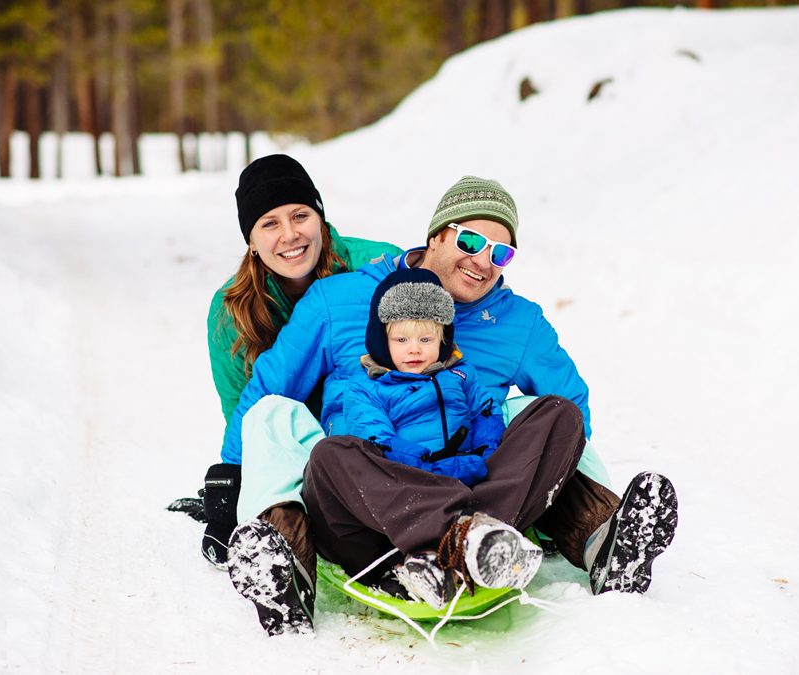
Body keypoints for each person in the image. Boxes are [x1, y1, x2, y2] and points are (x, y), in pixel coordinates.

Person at [220, 176, 679, 636]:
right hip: (372, 495)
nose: (483, 261)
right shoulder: (337, 299)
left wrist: (532, 478)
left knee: (552, 412)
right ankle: (286, 564)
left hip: (473, 481)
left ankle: (601, 537)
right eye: (471, 241)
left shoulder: (518, 323)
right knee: (289, 424)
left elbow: (571, 414)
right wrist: (229, 480)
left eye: (501, 253)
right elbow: (268, 389)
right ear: (437, 235)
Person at [196, 154, 402, 569]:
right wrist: (232, 480)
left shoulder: (377, 267)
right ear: (251, 241)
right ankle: (283, 543)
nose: (290, 235)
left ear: (320, 218)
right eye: (269, 224)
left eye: (300, 216)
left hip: (380, 429)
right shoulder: (230, 312)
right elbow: (246, 412)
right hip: (300, 448)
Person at [340, 268, 540, 609]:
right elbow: (378, 439)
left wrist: (487, 452)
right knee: (337, 452)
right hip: (412, 485)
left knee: (552, 411)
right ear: (382, 340)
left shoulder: (461, 374)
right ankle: (435, 555)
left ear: (442, 339)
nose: (414, 350)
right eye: (401, 340)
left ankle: (486, 538)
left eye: (426, 340)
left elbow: (485, 413)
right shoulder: (366, 388)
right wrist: (433, 467)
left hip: (472, 475)